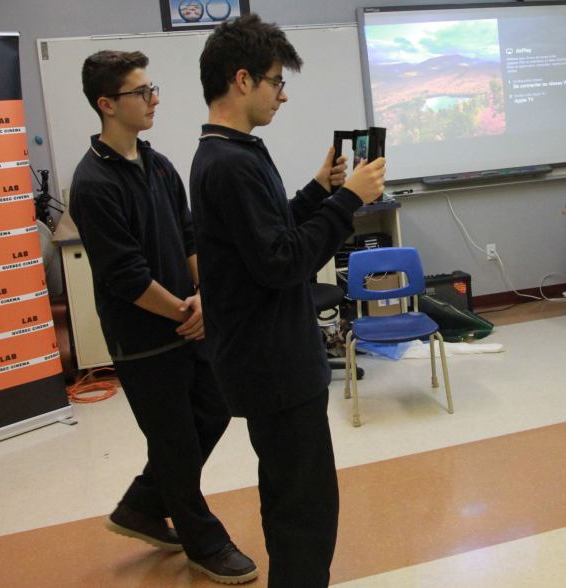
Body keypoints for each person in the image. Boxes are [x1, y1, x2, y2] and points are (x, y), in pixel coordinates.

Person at [189, 15, 385, 588]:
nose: (283, 92)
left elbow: (265, 239)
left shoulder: (231, 151)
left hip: (264, 358)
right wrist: (347, 201)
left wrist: (316, 193)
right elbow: (281, 263)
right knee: (306, 509)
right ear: (242, 79)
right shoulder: (230, 163)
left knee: (287, 494)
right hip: (274, 364)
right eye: (276, 80)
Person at [68, 50, 257, 584]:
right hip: (145, 338)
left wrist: (203, 295)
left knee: (216, 408)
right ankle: (204, 542)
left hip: (188, 321)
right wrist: (181, 311)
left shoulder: (158, 164)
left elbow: (189, 236)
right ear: (107, 104)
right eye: (140, 92)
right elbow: (125, 276)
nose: (153, 100)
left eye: (153, 89)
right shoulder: (93, 184)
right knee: (174, 441)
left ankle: (142, 504)